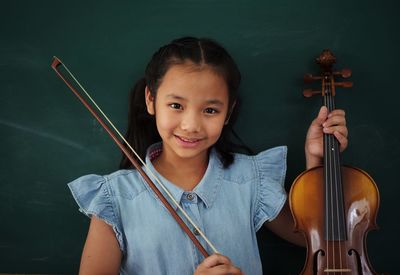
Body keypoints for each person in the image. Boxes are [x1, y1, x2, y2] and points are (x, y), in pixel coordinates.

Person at [68, 37, 348, 275]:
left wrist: (317, 161)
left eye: (210, 110)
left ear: (229, 112)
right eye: (176, 105)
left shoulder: (250, 179)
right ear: (151, 100)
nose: (191, 125)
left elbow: (320, 239)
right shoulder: (114, 198)